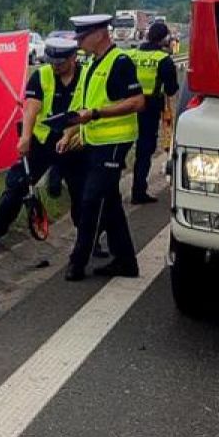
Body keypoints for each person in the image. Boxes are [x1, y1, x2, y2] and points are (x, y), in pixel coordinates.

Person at [58, 14, 145, 281]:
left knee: (91, 200)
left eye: (83, 37)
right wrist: (70, 131)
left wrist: (96, 114)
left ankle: (78, 261)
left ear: (99, 34)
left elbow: (137, 102)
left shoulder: (119, 62)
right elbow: (82, 107)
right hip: (95, 142)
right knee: (110, 204)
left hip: (114, 143)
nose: (80, 43)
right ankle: (126, 262)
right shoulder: (94, 64)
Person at [0, 37, 87, 250]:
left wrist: (72, 135)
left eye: (61, 63)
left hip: (73, 143)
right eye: (52, 62)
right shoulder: (42, 75)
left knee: (82, 193)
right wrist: (26, 137)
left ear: (73, 58)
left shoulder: (87, 76)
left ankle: (88, 239)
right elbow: (31, 107)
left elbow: (90, 109)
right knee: (17, 186)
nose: (55, 67)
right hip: (42, 142)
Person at [127, 21, 179, 205]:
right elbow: (172, 89)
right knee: (144, 150)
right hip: (149, 108)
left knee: (121, 148)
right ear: (165, 38)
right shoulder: (163, 59)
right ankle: (138, 192)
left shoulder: (131, 55)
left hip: (126, 107)